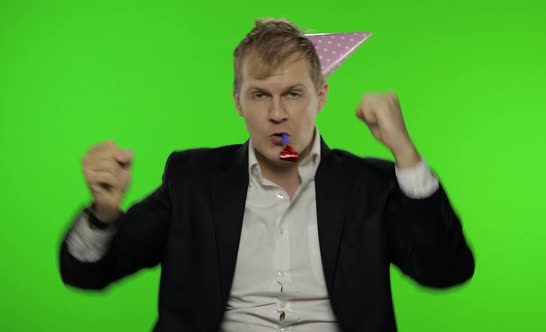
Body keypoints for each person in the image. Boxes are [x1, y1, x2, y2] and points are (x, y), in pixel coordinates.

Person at [59, 18, 474, 332]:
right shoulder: (193, 180)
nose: (277, 114)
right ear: (238, 101)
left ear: (321, 96)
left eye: (293, 93)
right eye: (260, 94)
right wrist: (104, 213)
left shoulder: (369, 184)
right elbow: (88, 275)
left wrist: (406, 155)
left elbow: (446, 271)